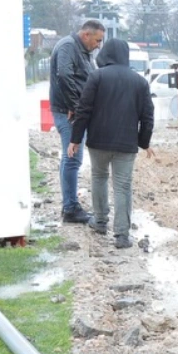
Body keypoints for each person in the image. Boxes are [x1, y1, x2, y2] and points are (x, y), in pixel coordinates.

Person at [68, 38, 154, 249]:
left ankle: (100, 221)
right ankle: (122, 235)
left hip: (98, 141)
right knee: (123, 186)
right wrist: (144, 142)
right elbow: (148, 116)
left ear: (105, 54)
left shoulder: (96, 77)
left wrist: (75, 139)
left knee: (99, 177)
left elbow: (83, 110)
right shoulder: (140, 82)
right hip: (126, 144)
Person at [49, 19, 106, 224]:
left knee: (69, 159)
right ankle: (71, 208)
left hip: (74, 111)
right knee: (73, 158)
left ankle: (69, 203)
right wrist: (75, 106)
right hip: (68, 112)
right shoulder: (68, 47)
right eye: (97, 40)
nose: (98, 45)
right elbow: (64, 76)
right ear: (86, 35)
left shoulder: (82, 52)